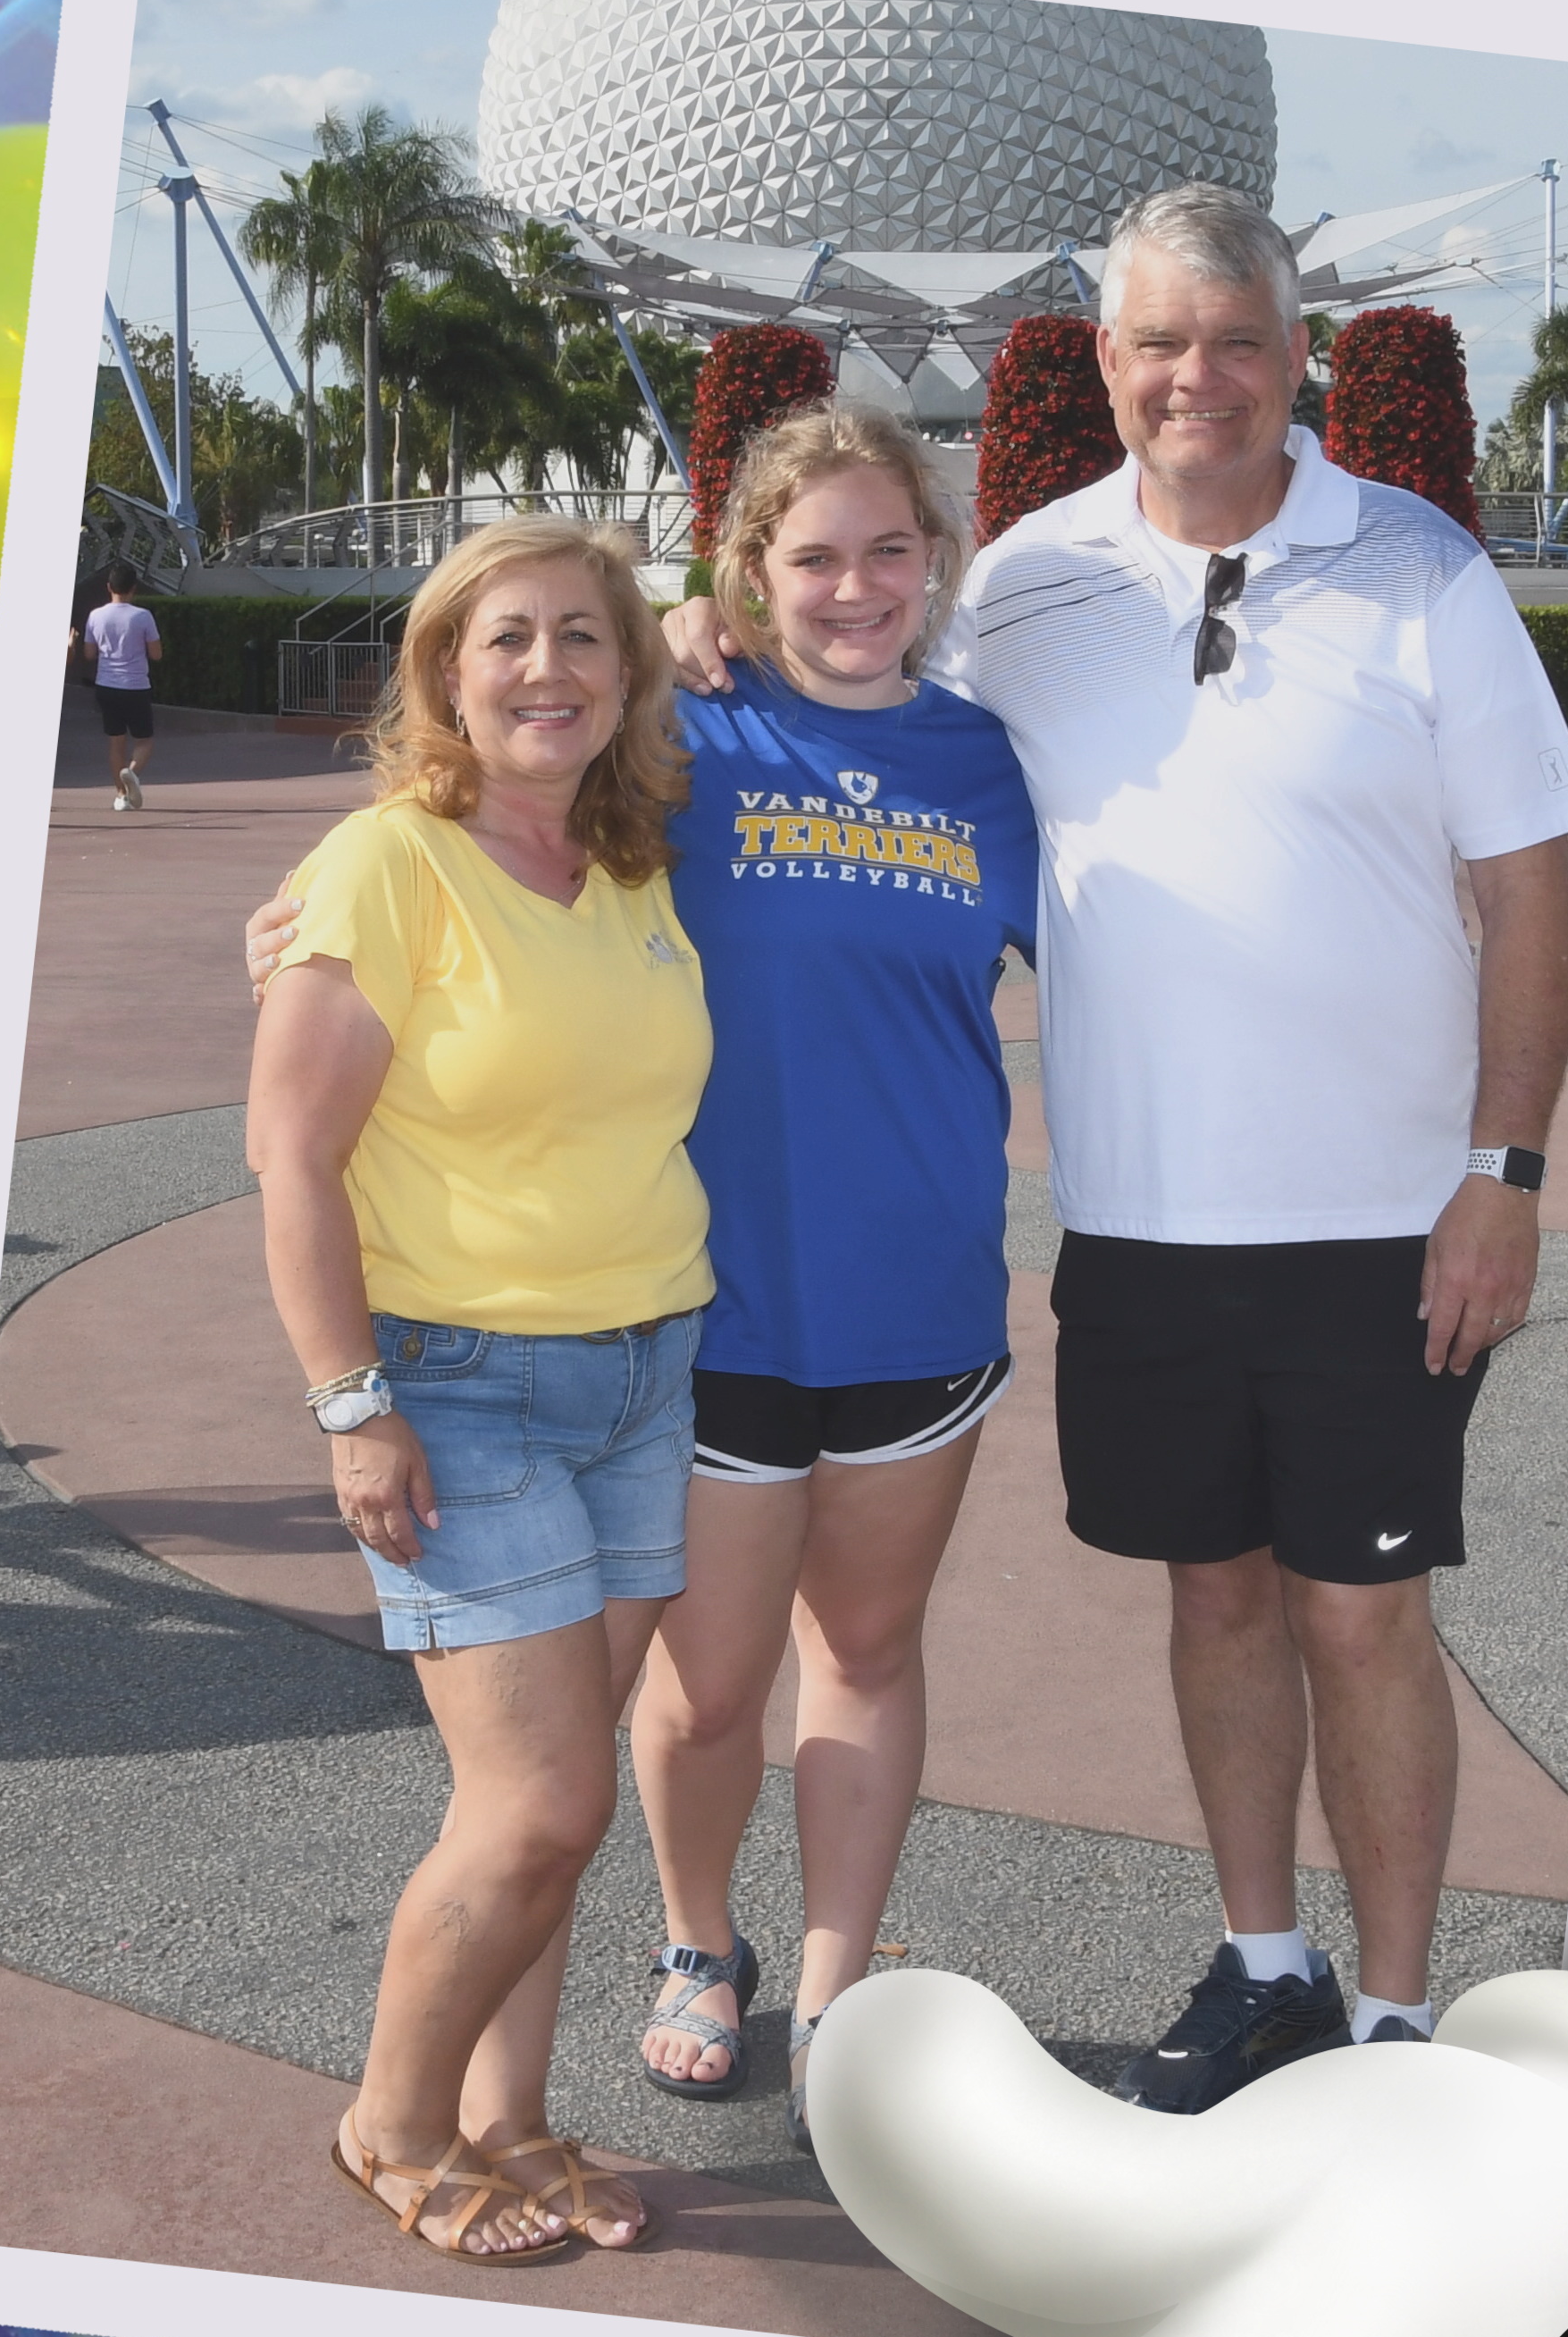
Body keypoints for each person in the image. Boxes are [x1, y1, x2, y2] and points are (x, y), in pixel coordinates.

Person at [665, 185, 1568, 2110]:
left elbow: (1528, 891)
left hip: (1379, 1218)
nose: (1195, 377)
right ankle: (1267, 1959)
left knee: (1362, 1609)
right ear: (1102, 366)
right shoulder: (1018, 583)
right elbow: (865, 730)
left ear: (1290, 355)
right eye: (1154, 343)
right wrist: (690, 626)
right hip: (1139, 1222)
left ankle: (1401, 2014)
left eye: (1232, 339)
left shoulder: (1420, 568)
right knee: (1219, 1594)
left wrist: (1502, 1170)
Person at [248, 415, 1037, 2155]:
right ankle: (700, 1944)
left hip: (921, 1301)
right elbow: (478, 809)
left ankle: (836, 1985)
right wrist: (311, 889)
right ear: (746, 575)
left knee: (876, 1647)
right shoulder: (685, 746)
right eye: (811, 555)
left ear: (935, 563)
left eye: (888, 550)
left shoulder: (989, 762)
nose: (854, 586)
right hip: (704, 1317)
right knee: (706, 1683)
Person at [246, 517, 711, 2259]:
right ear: (447, 672)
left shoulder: (631, 862)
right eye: (505, 638)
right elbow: (291, 1153)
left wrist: (705, 611)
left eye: (583, 637)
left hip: (644, 1366)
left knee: (559, 1789)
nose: (546, 669)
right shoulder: (386, 861)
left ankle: (510, 2120)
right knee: (537, 1801)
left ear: (625, 672)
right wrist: (351, 1402)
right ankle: (391, 2118)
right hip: (461, 1385)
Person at [81, 560, 162, 811]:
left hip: (106, 684)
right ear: (133, 588)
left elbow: (89, 654)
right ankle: (133, 773)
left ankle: (121, 795)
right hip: (136, 684)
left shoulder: (96, 616)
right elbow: (157, 654)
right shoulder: (143, 616)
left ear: (109, 587)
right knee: (144, 740)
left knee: (116, 742)